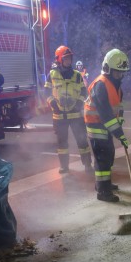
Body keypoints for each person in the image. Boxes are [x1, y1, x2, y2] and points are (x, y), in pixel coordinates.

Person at [84, 49, 130, 202]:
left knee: (109, 156)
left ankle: (105, 184)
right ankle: (103, 192)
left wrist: (120, 122)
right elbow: (105, 114)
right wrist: (119, 133)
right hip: (96, 126)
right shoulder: (101, 85)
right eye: (118, 72)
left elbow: (118, 107)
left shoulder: (115, 85)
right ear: (108, 69)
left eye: (122, 73)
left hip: (106, 127)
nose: (120, 76)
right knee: (102, 158)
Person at [44, 46, 93, 174]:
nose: (69, 60)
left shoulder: (77, 75)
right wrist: (52, 103)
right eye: (66, 58)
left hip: (76, 114)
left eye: (70, 58)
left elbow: (84, 91)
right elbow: (46, 91)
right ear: (59, 59)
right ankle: (64, 166)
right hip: (59, 116)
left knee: (82, 140)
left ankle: (87, 164)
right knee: (62, 144)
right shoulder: (52, 74)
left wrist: (79, 102)